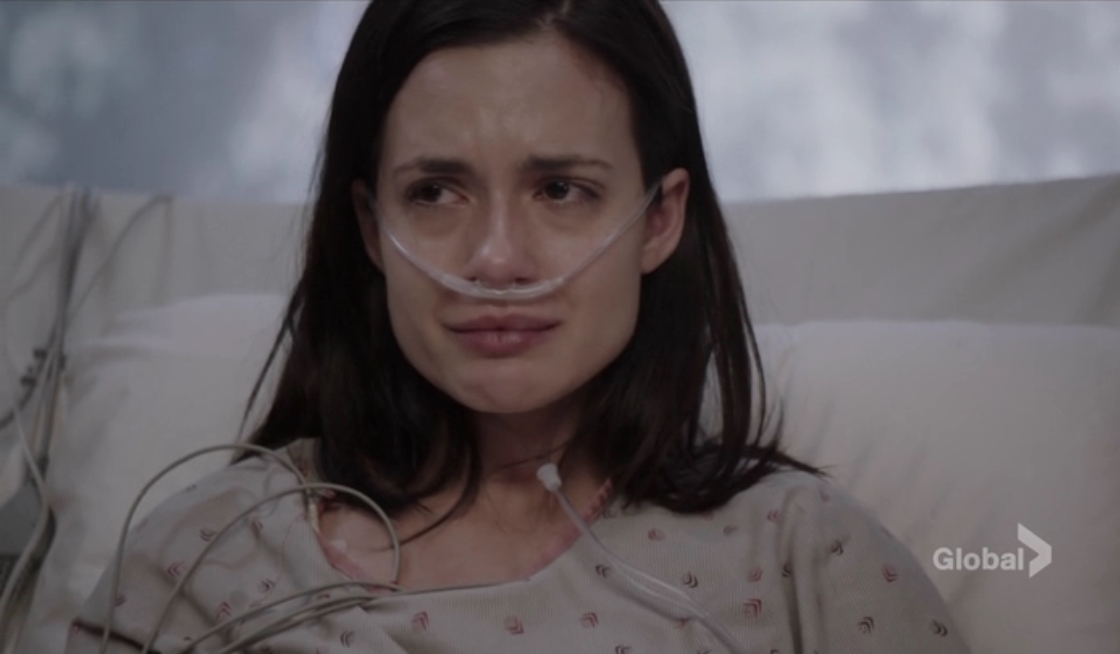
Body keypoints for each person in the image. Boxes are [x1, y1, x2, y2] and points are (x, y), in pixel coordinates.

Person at [67, 1, 971, 652]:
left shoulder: (799, 556)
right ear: (370, 228)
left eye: (560, 189)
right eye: (435, 191)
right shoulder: (207, 560)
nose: (495, 259)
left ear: (660, 220)